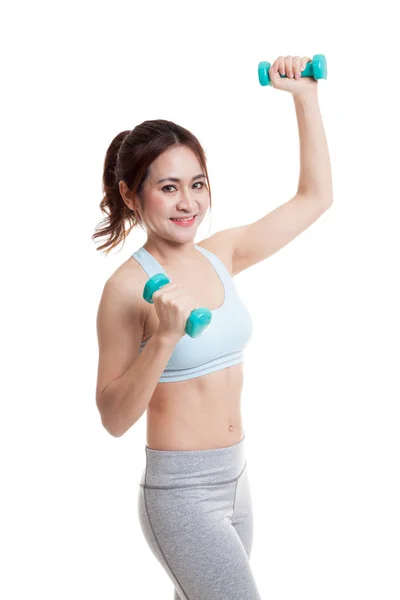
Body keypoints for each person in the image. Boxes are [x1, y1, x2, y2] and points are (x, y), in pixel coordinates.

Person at [93, 55, 333, 599]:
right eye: (169, 187)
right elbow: (112, 418)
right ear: (132, 196)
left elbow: (315, 199)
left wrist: (305, 99)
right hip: (180, 496)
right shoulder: (127, 290)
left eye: (197, 184)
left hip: (237, 479)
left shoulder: (223, 253)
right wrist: (166, 340)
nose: (189, 202)